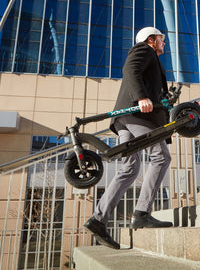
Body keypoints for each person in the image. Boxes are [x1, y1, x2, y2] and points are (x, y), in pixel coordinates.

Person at [84, 27, 173, 250]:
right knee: (161, 157)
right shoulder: (145, 49)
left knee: (130, 168)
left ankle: (98, 220)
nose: (164, 43)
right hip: (136, 114)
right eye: (162, 39)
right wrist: (142, 97)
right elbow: (130, 68)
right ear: (152, 39)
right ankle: (142, 212)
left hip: (125, 118)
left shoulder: (151, 55)